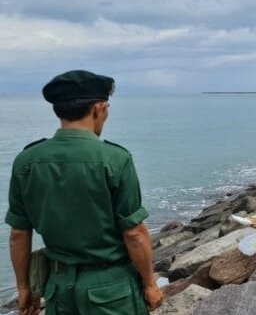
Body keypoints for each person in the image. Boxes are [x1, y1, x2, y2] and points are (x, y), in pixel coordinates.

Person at [5, 70, 163, 315]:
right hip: (112, 289)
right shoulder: (115, 159)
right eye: (107, 108)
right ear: (99, 108)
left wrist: (24, 287)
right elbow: (134, 233)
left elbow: (18, 233)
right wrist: (150, 283)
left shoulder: (26, 161)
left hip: (58, 289)